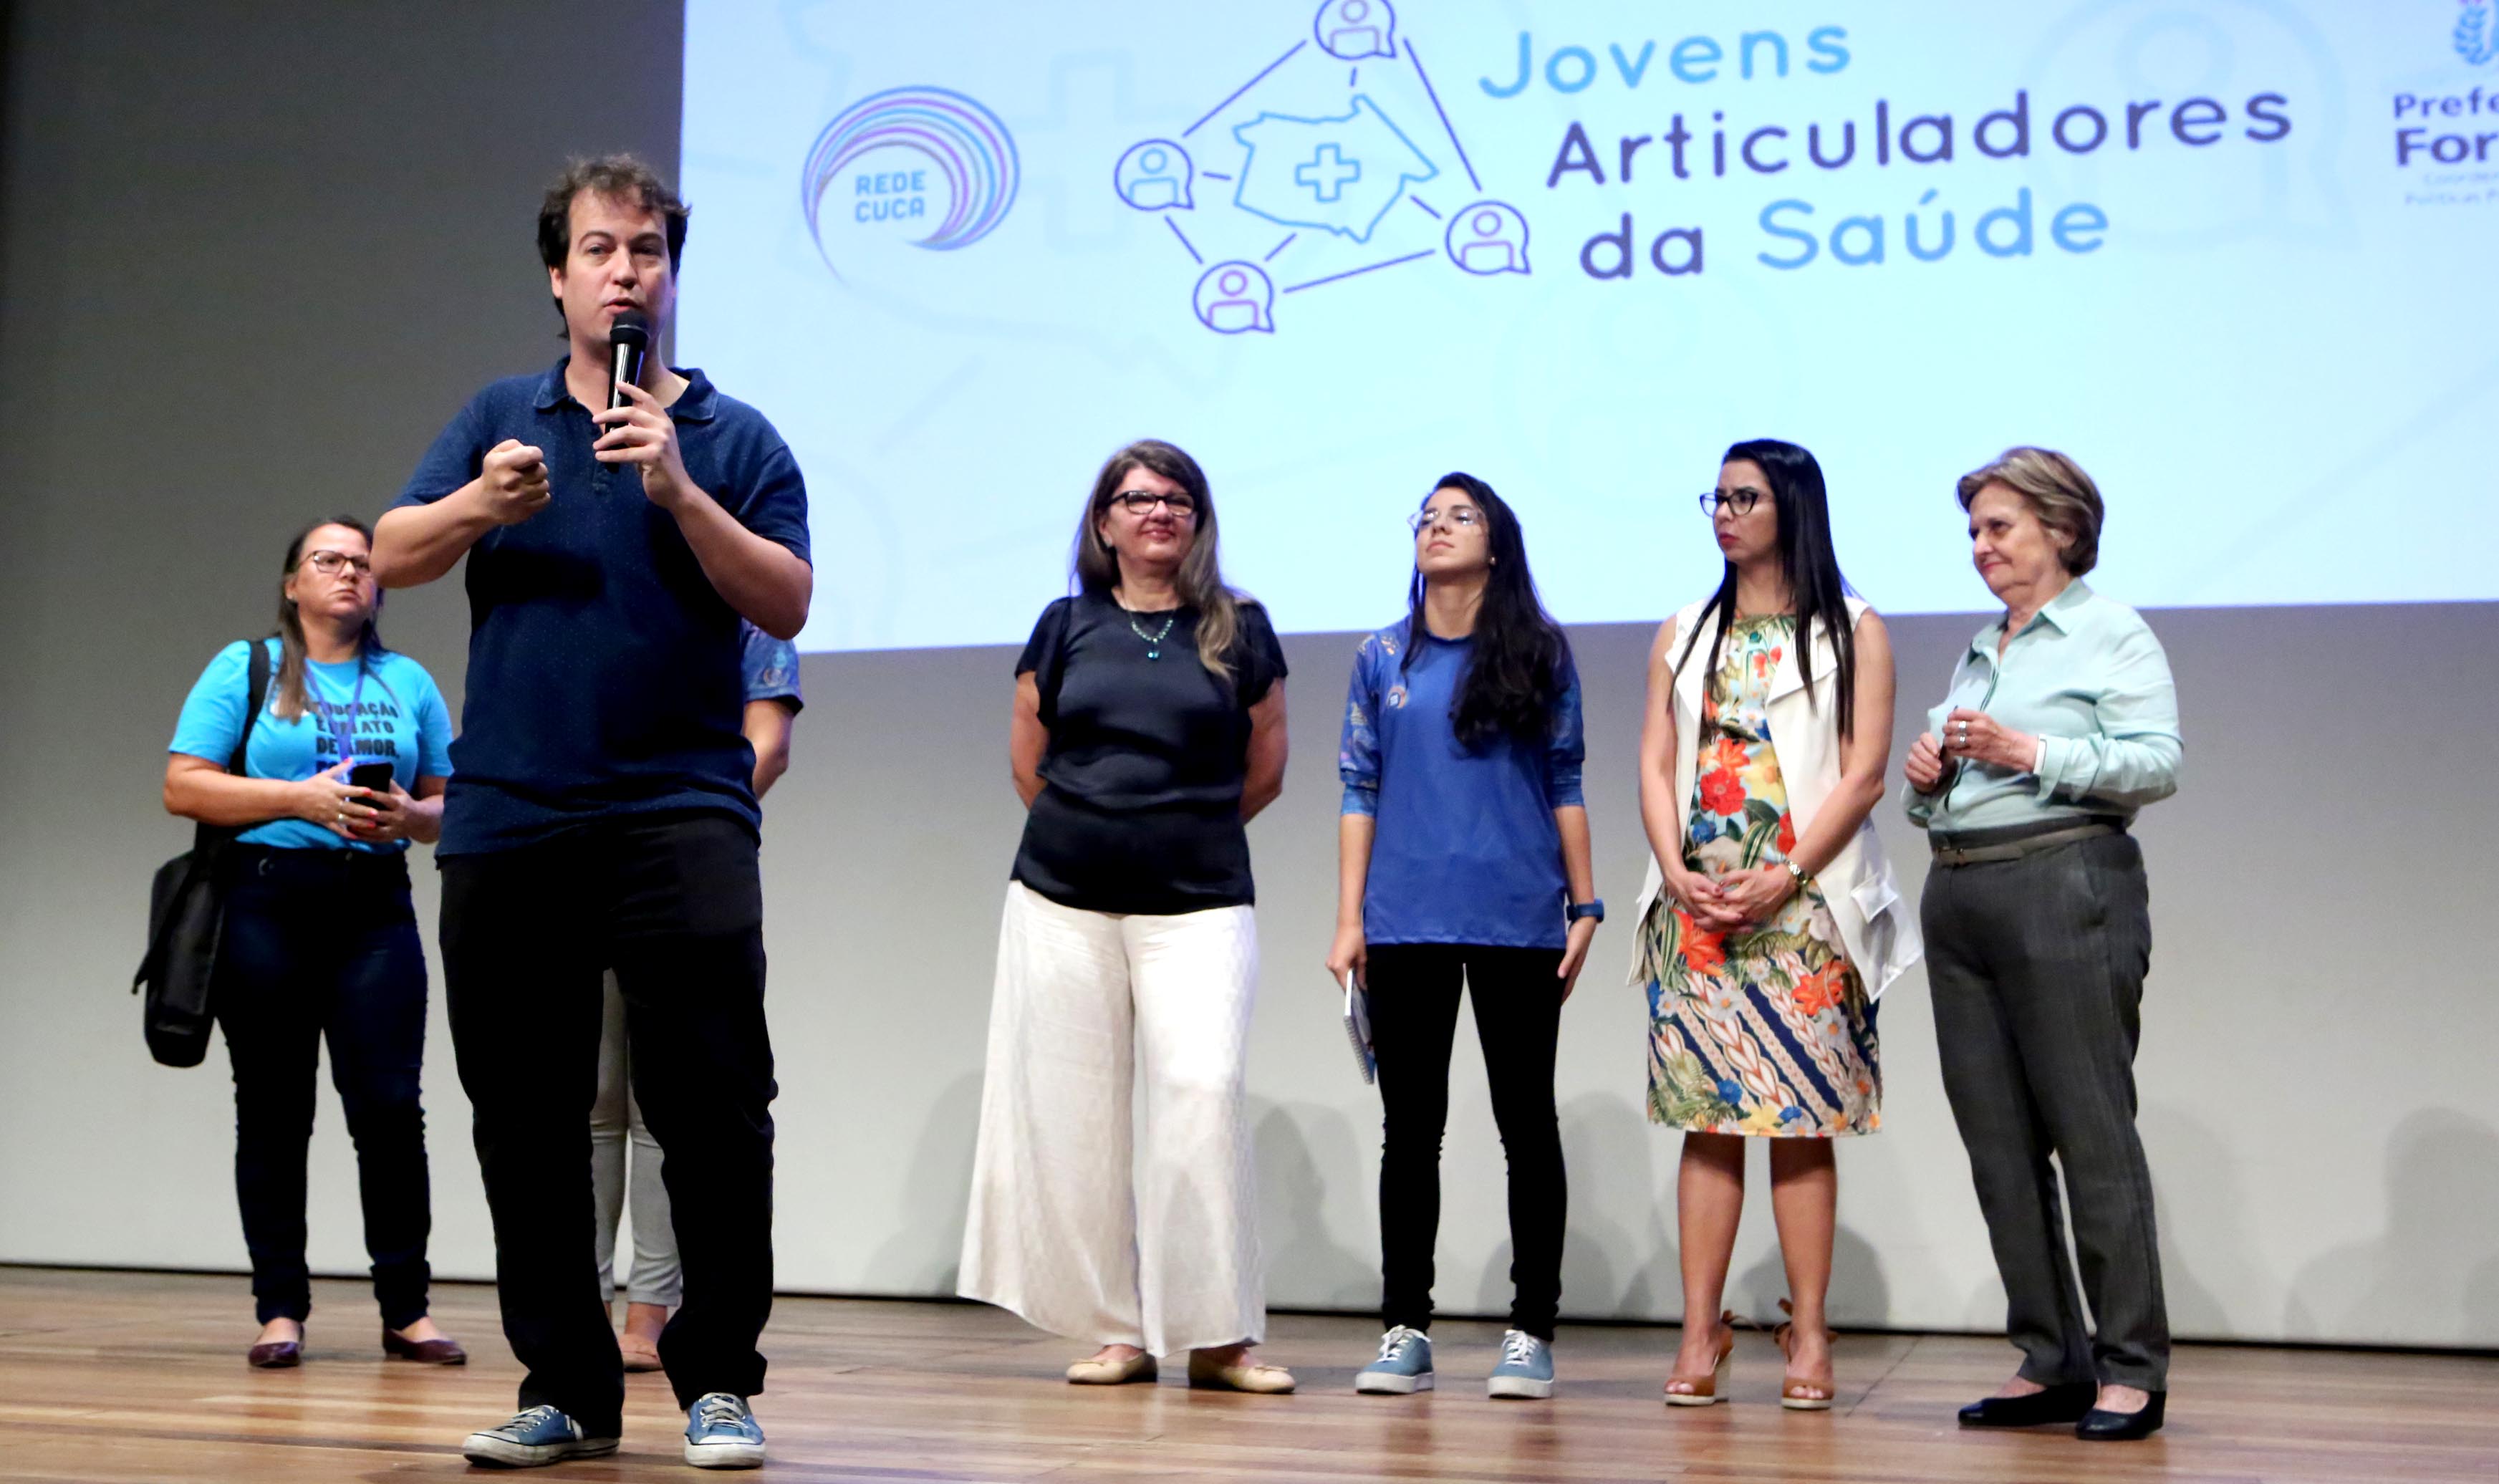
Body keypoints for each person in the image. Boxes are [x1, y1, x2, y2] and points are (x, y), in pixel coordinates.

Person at [372, 155, 809, 1471]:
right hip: (511, 814)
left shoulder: (735, 439)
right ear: (557, 275)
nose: (628, 273)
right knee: (522, 1109)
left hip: (679, 806)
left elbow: (785, 602)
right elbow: (385, 552)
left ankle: (717, 1376)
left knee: (717, 1103)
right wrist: (473, 504)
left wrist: (679, 491)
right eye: (602, 251)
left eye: (649, 253)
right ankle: (565, 1381)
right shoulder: (497, 417)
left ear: (670, 275)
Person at [958, 438, 1294, 1394]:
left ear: (1198, 520)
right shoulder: (1064, 626)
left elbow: (1264, 767)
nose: (1159, 511)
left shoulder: (1241, 628)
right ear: (1104, 522)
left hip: (1200, 905)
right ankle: (1118, 1329)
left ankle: (1219, 1336)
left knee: (1202, 1096)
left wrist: (1175, 832)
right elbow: (1031, 761)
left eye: (1177, 498)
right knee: (1077, 1118)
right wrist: (1097, 832)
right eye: (1137, 497)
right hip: (1062, 901)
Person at [1902, 447, 2181, 1442]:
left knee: (2090, 1131)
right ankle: (2051, 1356)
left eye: (1999, 527)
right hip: (1961, 891)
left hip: (2064, 880)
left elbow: (2157, 762)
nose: (1980, 548)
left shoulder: (2110, 632)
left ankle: (2132, 1368)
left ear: (2061, 530)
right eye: (1973, 531)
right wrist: (1928, 771)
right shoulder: (1986, 648)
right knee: (1999, 1146)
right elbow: (1924, 794)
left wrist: (2028, 752)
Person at [1632, 440, 1918, 1409]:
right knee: (1707, 1120)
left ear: (1791, 507)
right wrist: (1675, 871)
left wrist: (1786, 874)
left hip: (1803, 907)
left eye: (1743, 497)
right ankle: (1699, 1328)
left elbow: (1865, 769)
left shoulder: (1853, 627)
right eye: (1714, 496)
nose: (1723, 512)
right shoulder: (1682, 629)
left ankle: (1808, 1330)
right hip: (1698, 905)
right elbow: (1655, 758)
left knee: (1800, 1119)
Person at [162, 516, 462, 1369]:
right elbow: (183, 785)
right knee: (273, 1111)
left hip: (375, 908)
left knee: (391, 1112)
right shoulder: (246, 666)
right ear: (292, 583)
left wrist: (412, 816)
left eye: (364, 564)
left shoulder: (407, 680)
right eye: (328, 560)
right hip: (266, 905)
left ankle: (407, 1309)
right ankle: (279, 1310)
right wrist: (298, 800)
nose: (349, 573)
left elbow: (453, 806)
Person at [1329, 475, 1597, 1401]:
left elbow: (1566, 778)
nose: (1436, 528)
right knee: (1411, 1131)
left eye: (1460, 516)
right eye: (1426, 517)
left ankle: (1532, 1330)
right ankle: (1405, 1325)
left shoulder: (1538, 652)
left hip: (1518, 914)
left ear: (1498, 541)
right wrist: (1348, 919)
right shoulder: (1380, 657)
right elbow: (1357, 786)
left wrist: (1588, 906)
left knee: (1527, 1124)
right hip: (1403, 920)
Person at [590, 621, 804, 1374]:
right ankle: (586, 1313)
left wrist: (689, 832)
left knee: (670, 1099)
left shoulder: (747, 611)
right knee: (592, 1094)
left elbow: (767, 743)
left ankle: (650, 1308)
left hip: (683, 864)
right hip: (581, 854)